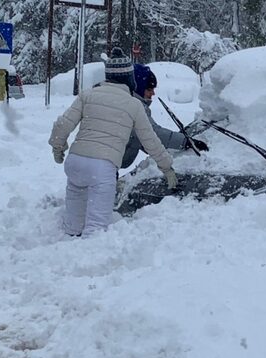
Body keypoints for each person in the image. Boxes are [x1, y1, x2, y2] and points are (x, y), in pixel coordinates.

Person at [48, 47, 177, 237]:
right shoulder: (134, 105)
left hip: (75, 163)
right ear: (129, 79)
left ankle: (65, 251)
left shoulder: (87, 95)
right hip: (102, 167)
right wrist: (167, 168)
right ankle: (90, 261)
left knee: (73, 226)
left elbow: (63, 124)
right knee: (96, 231)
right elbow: (151, 140)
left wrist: (57, 148)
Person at [120, 63, 209, 169]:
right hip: (106, 164)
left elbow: (145, 140)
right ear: (137, 88)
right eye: (149, 89)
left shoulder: (126, 102)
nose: (153, 93)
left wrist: (164, 149)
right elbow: (152, 133)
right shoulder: (132, 106)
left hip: (108, 162)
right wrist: (185, 142)